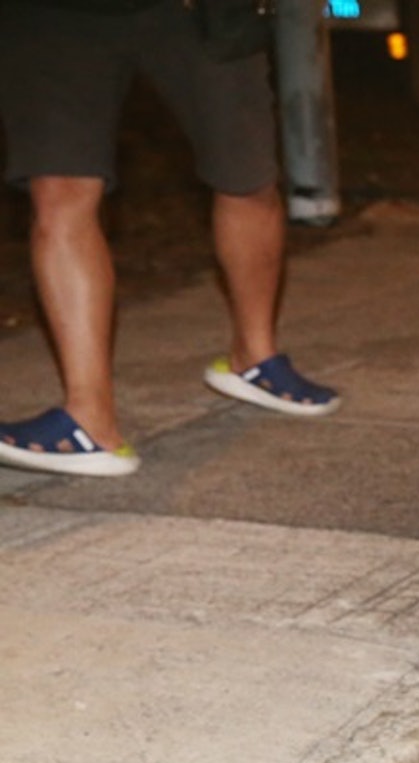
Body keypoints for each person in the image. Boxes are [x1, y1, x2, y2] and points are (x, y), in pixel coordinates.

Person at [0, 0, 339, 479]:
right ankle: (88, 423)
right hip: (54, 15)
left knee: (245, 177)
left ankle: (254, 357)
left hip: (200, 12)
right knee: (59, 193)